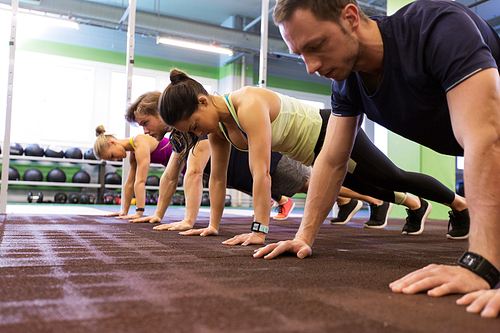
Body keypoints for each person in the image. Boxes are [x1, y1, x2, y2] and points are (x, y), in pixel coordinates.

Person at [253, 0, 500, 316]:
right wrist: (303, 237)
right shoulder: (346, 82)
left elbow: (486, 138)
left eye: (316, 46)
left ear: (351, 17)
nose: (310, 67)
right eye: (300, 53)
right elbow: (331, 160)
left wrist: (481, 264)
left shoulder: (439, 28)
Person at [158, 69, 469, 247]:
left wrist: (259, 230)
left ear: (203, 101)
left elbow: (261, 173)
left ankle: (460, 205)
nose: (198, 134)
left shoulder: (248, 104)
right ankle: (416, 205)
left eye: (195, 126)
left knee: (392, 177)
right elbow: (217, 178)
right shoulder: (218, 128)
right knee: (373, 187)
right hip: (312, 154)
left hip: (329, 129)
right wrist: (213, 225)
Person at [93, 125, 173, 220]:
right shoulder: (133, 149)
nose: (115, 160)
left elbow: (140, 181)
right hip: (176, 163)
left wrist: (139, 212)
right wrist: (124, 212)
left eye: (112, 156)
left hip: (183, 157)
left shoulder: (140, 143)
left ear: (112, 143)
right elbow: (130, 182)